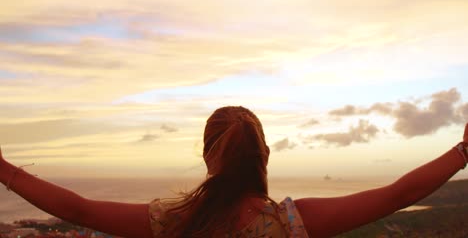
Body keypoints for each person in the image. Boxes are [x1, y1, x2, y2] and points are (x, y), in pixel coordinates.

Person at [0, 106, 467, 238]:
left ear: (208, 157)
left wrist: (3, 169)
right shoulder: (291, 223)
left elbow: (76, 207)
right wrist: (463, 151)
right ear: (265, 157)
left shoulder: (172, 220)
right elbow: (398, 194)